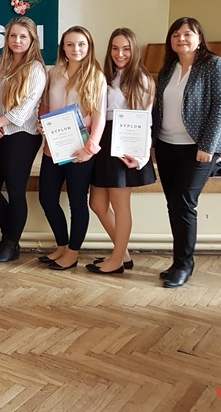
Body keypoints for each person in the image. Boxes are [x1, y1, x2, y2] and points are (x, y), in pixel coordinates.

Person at [153, 17, 221, 288]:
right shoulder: (168, 69)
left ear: (199, 38)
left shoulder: (214, 65)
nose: (181, 39)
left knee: (184, 202)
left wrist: (207, 146)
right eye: (176, 35)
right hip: (166, 146)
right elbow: (158, 108)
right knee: (173, 203)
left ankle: (185, 264)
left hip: (197, 149)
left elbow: (220, 106)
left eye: (187, 34)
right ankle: (178, 261)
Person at [88, 28, 156, 274]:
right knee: (97, 203)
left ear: (134, 50)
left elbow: (145, 120)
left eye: (126, 49)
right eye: (115, 49)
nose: (120, 54)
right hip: (103, 141)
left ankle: (116, 260)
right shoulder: (107, 76)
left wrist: (141, 156)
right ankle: (123, 253)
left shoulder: (142, 80)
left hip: (124, 144)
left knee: (120, 204)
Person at [38, 26, 106, 271]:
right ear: (63, 48)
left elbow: (99, 117)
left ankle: (73, 253)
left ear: (89, 47)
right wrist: (42, 123)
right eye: (70, 44)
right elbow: (45, 105)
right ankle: (62, 245)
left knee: (77, 202)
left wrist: (90, 148)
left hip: (80, 150)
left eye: (81, 44)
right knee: (47, 198)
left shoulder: (96, 77)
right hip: (53, 148)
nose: (76, 49)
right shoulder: (54, 72)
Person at [0, 17, 47, 264]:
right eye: (13, 36)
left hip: (22, 136)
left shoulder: (35, 69)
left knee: (16, 190)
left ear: (32, 40)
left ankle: (10, 243)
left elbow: (25, 109)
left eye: (23, 37)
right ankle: (9, 237)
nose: (17, 41)